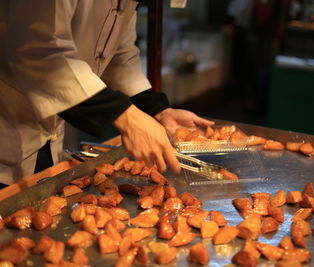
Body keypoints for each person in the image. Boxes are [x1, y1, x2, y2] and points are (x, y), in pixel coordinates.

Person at [0, 1, 214, 186]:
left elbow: (118, 54)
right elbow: (39, 50)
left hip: (46, 131)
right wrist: (129, 119)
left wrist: (157, 109)